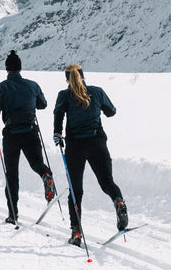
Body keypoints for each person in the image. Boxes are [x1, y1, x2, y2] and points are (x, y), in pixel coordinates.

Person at [53, 64, 128, 246]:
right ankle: (118, 202)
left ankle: (76, 232)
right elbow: (111, 112)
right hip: (97, 143)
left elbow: (58, 114)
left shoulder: (64, 95)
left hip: (74, 146)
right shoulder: (97, 91)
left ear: (67, 79)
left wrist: (57, 133)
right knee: (107, 182)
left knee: (76, 190)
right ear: (83, 76)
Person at [0, 50, 54, 225]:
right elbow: (43, 104)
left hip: (11, 134)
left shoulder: (0, 87)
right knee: (36, 163)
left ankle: (13, 214)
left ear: (7, 70)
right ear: (20, 68)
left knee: (12, 174)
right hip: (31, 130)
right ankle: (46, 175)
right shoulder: (32, 85)